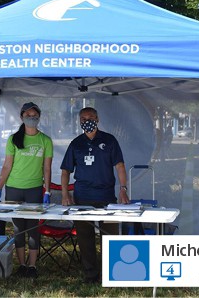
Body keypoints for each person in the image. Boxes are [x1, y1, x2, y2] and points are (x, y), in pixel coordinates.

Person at [60, 107, 129, 282]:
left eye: (90, 117)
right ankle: (90, 274)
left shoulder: (109, 140)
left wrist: (123, 189)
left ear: (97, 119)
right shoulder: (76, 143)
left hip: (107, 198)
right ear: (79, 121)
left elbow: (120, 166)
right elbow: (65, 171)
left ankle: (111, 273)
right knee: (85, 237)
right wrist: (64, 194)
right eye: (83, 118)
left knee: (110, 236)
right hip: (82, 197)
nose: (87, 120)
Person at [0, 102, 53, 278]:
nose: (31, 118)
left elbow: (47, 169)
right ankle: (21, 265)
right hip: (13, 189)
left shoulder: (45, 140)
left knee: (33, 228)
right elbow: (7, 165)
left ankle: (32, 266)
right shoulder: (14, 139)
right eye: (28, 115)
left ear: (39, 117)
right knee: (18, 229)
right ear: (21, 117)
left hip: (34, 189)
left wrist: (48, 191)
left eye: (35, 115)